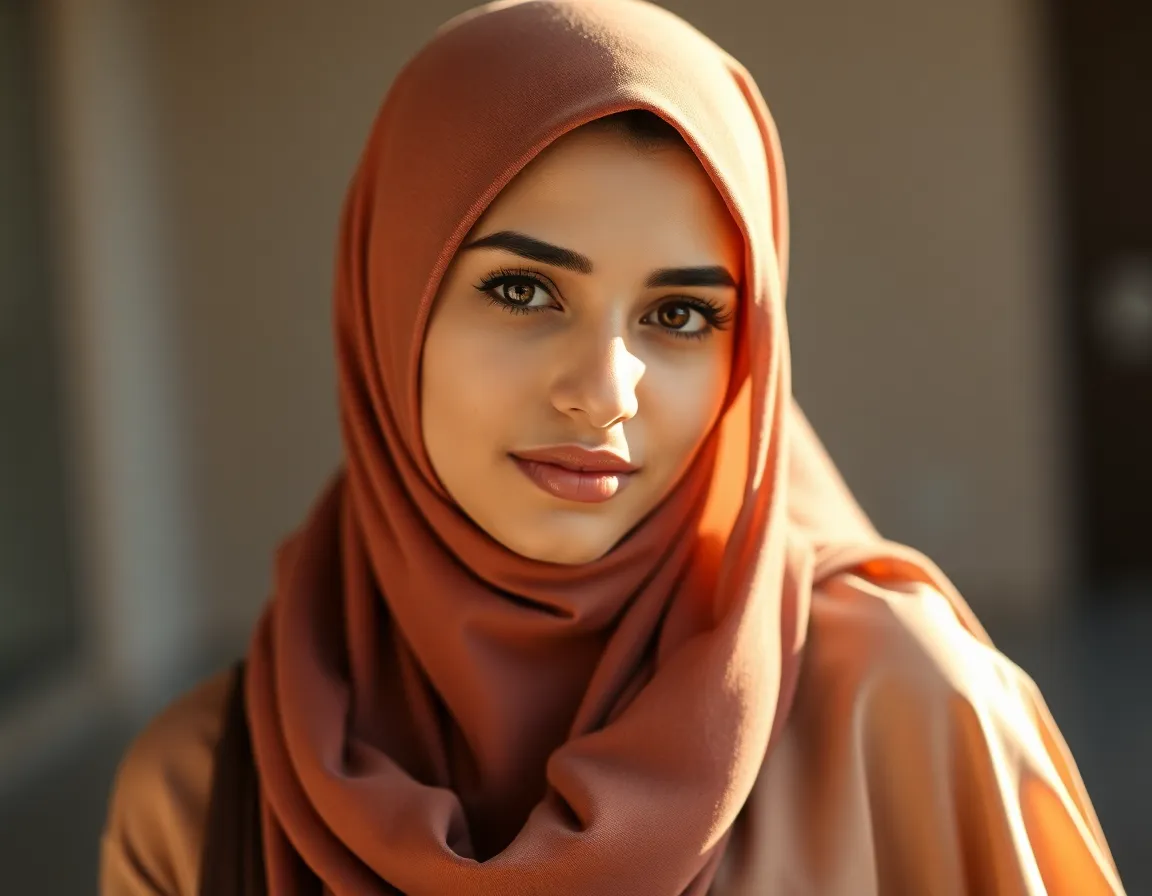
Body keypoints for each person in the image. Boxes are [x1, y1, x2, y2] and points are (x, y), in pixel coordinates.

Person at [98, 1, 1126, 893]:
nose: (602, 393)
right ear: (387, 301)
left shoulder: (909, 714)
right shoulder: (202, 791)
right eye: (522, 290)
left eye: (680, 314)